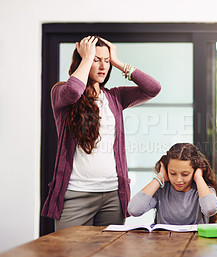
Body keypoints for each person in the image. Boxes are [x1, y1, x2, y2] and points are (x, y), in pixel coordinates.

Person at [41, 36, 161, 230]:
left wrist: (118, 62)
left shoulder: (115, 97)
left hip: (113, 196)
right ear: (83, 60)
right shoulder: (60, 92)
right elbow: (74, 91)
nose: (103, 66)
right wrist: (87, 58)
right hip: (75, 195)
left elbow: (153, 88)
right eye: (96, 59)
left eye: (106, 61)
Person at [128, 143, 217, 224]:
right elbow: (134, 210)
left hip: (195, 242)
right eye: (173, 173)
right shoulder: (161, 191)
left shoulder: (203, 191)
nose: (178, 180)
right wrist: (159, 177)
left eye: (185, 174)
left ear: (195, 171)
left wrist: (199, 178)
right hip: (163, 242)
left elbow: (210, 209)